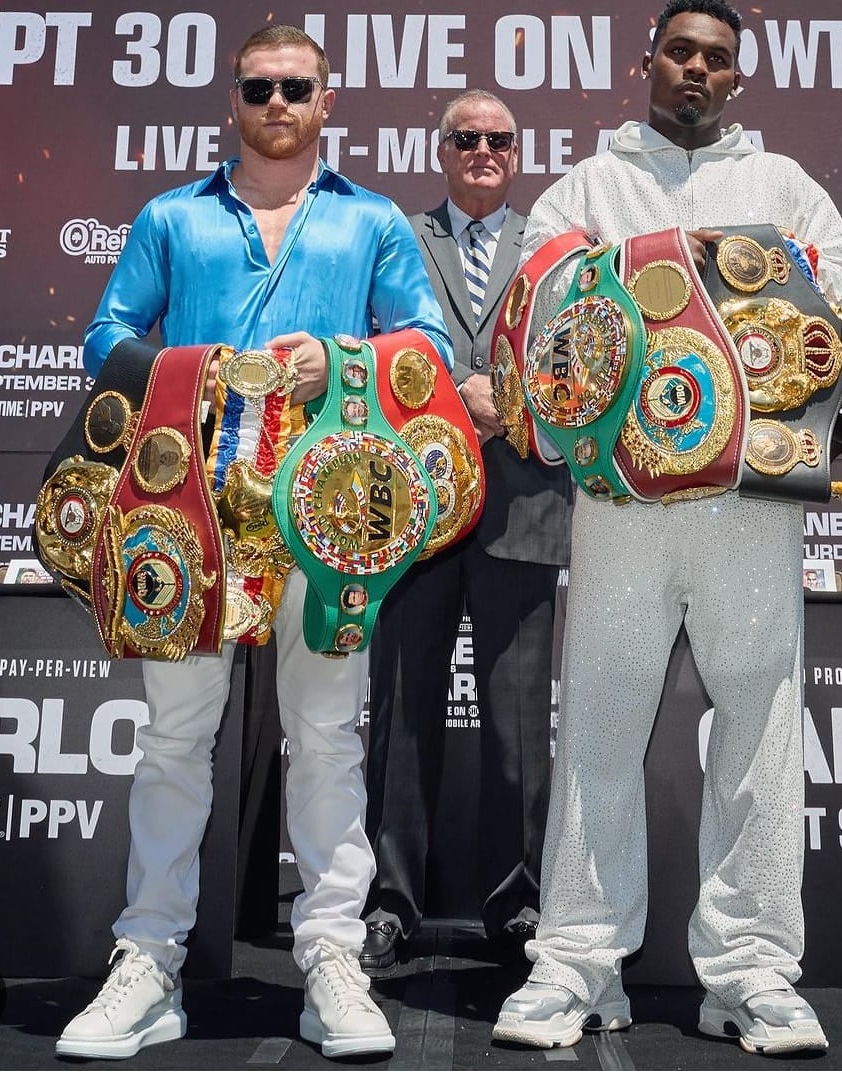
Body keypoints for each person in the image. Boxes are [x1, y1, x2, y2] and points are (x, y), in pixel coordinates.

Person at [54, 24, 451, 1061]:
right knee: (177, 739)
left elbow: (431, 346)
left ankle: (331, 958)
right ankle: (147, 960)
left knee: (327, 739)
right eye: (259, 87)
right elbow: (106, 338)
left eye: (296, 87)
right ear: (233, 100)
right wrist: (194, 369)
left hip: (325, 515)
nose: (277, 101)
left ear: (329, 100)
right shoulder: (169, 217)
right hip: (186, 514)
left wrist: (343, 358)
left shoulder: (371, 223)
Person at [493, 0, 842, 1056]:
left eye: (716, 58)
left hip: (750, 502)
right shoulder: (586, 186)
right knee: (600, 728)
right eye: (680, 52)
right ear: (645, 62)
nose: (696, 70)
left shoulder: (784, 184)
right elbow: (539, 309)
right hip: (623, 504)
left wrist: (737, 267)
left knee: (761, 730)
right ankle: (575, 959)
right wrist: (652, 266)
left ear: (737, 77)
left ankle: (751, 971)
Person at [359, 89, 573, 974]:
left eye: (499, 139)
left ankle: (518, 905)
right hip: (411, 503)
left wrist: (509, 399)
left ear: (518, 155)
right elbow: (368, 343)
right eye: (466, 138)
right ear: (439, 150)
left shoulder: (557, 247)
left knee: (520, 722)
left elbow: (579, 354)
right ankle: (388, 902)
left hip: (525, 500)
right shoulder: (394, 236)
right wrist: (458, 394)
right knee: (402, 713)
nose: (483, 150)